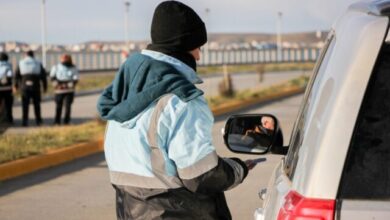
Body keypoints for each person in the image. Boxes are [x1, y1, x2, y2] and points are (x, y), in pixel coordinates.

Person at [97, 1, 252, 219]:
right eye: (197, 47)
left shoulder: (122, 95)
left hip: (129, 210)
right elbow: (201, 175)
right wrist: (237, 169)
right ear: (182, 46)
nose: (198, 56)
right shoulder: (182, 102)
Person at [15, 50, 47, 126]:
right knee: (37, 104)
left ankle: (25, 121)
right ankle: (38, 121)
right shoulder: (38, 63)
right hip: (36, 86)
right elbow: (43, 76)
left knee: (25, 105)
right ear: (33, 55)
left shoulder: (21, 62)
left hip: (24, 86)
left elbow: (17, 75)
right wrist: (45, 87)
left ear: (25, 55)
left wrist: (16, 85)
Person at [50, 54, 79, 125]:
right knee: (58, 106)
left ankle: (67, 121)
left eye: (66, 58)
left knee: (68, 106)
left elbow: (76, 78)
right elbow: (52, 77)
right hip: (59, 90)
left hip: (69, 90)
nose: (64, 60)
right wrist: (57, 85)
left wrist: (69, 85)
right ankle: (57, 122)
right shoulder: (56, 67)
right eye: (63, 58)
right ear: (61, 59)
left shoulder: (73, 68)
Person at [0, 52, 14, 124]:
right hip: (7, 88)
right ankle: (9, 119)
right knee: (9, 105)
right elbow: (10, 75)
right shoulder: (9, 65)